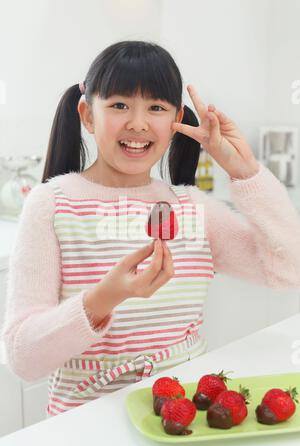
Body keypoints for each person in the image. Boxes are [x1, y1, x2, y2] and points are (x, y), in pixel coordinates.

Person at [2, 40, 300, 418]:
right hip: (85, 422)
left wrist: (244, 171)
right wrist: (101, 300)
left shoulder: (193, 208)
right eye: (119, 105)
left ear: (176, 120)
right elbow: (22, 358)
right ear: (87, 114)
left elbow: (290, 271)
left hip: (184, 418)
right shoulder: (51, 206)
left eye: (156, 108)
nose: (138, 123)